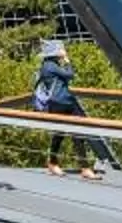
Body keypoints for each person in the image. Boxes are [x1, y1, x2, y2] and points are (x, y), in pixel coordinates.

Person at [29, 39, 105, 178]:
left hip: (67, 102)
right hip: (59, 103)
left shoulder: (52, 65)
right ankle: (54, 163)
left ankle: (84, 167)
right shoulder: (49, 66)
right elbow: (70, 75)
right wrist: (67, 61)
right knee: (60, 134)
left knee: (78, 132)